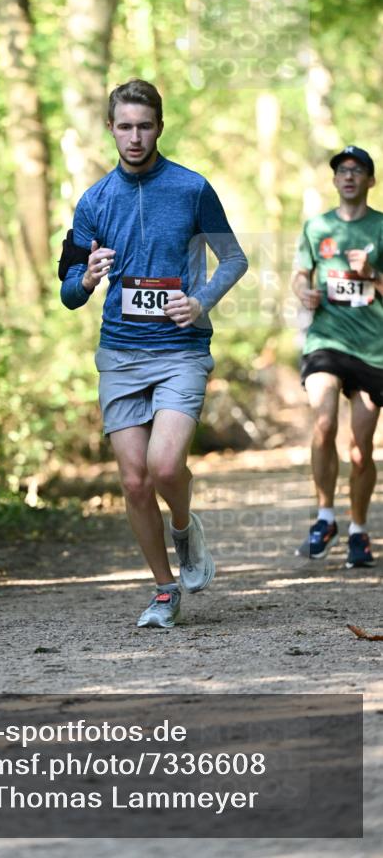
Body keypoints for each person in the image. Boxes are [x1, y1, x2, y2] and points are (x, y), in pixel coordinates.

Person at [59, 79, 248, 629]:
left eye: (144, 126)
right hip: (120, 354)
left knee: (166, 468)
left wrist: (200, 301)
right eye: (125, 126)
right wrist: (87, 278)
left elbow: (233, 259)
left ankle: (186, 531)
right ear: (111, 129)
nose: (135, 137)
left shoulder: (192, 189)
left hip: (181, 351)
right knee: (135, 480)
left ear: (159, 127)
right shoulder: (94, 201)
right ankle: (165, 590)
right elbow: (69, 290)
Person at [292, 145, 382, 568]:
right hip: (326, 340)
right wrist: (303, 292)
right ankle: (325, 516)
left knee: (361, 448)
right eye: (342, 170)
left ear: (369, 180)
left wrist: (371, 276)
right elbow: (299, 274)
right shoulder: (316, 227)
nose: (348, 176)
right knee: (324, 421)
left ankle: (359, 530)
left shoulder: (381, 228)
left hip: (372, 349)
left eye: (357, 170)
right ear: (334, 179)